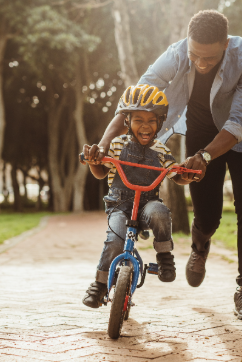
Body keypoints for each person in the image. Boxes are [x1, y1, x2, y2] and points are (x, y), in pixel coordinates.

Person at [83, 10, 242, 321]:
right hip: (200, 130)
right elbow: (134, 102)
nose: (200, 63)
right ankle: (200, 245)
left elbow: (238, 122)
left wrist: (206, 156)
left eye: (209, 58)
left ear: (226, 44)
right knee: (208, 214)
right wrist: (103, 146)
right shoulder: (175, 54)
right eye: (195, 55)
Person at [80, 84, 193, 309]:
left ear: (160, 123)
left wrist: (187, 175)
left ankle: (164, 256)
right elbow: (102, 172)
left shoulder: (161, 151)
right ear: (127, 122)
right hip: (119, 206)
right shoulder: (116, 145)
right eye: (138, 119)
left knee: (160, 213)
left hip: (147, 205)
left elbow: (174, 175)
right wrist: (94, 162)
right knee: (115, 239)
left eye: (152, 121)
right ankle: (100, 284)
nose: (145, 126)